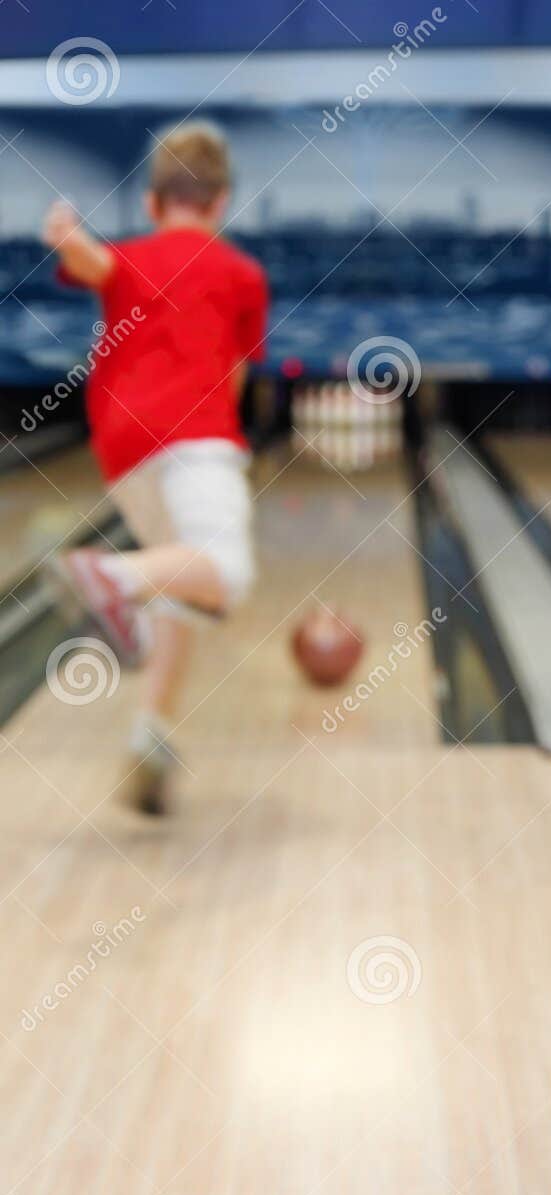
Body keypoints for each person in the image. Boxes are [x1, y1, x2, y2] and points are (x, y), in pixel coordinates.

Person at [43, 120, 269, 814]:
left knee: (184, 589)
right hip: (194, 440)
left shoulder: (129, 257)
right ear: (222, 200)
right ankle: (105, 574)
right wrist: (223, 448)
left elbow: (92, 265)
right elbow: (233, 377)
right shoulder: (241, 274)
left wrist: (68, 237)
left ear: (151, 202)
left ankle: (150, 734)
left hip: (122, 455)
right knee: (225, 571)